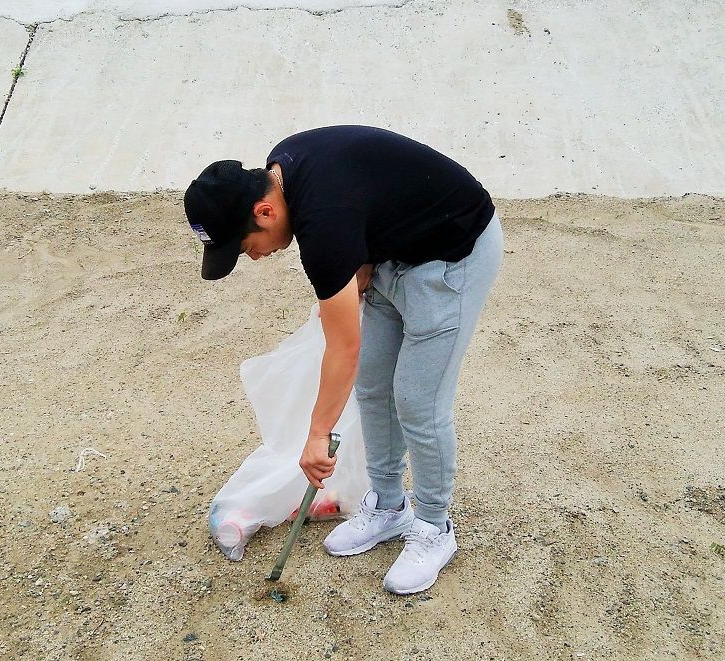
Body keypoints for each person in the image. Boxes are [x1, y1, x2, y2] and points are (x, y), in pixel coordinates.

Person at [184, 126, 503, 594]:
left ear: (265, 211)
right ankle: (389, 507)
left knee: (418, 401)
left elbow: (343, 348)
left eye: (244, 246)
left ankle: (435, 528)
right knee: (373, 386)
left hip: (453, 253)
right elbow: (365, 192)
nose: (251, 257)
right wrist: (362, 261)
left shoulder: (322, 225)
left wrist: (318, 436)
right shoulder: (283, 168)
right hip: (394, 256)